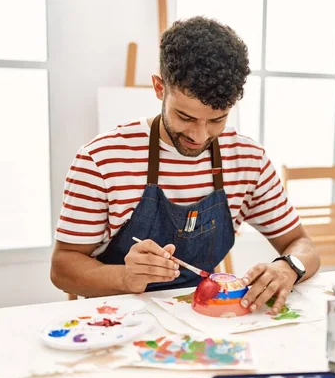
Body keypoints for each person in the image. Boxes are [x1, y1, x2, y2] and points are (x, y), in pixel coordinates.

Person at [51, 16, 320, 314]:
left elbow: (302, 245)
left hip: (204, 316)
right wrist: (125, 277)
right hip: (118, 322)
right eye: (186, 117)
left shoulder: (247, 159)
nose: (199, 135)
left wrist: (288, 267)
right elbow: (62, 268)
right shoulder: (101, 159)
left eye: (217, 120)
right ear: (159, 88)